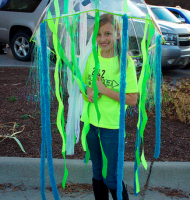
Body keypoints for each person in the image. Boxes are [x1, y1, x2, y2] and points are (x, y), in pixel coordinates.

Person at [81, 14, 138, 200]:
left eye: (107, 33)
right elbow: (85, 86)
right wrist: (88, 91)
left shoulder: (125, 63)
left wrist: (104, 90)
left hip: (112, 128)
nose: (103, 39)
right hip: (90, 125)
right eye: (98, 34)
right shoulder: (92, 57)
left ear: (118, 34)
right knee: (97, 172)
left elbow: (132, 99)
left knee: (111, 176)